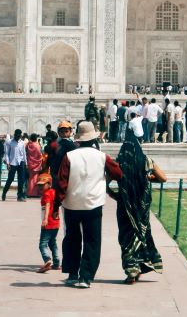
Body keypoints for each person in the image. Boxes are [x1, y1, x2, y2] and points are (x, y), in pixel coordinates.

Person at [54, 121, 123, 288]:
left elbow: (61, 182)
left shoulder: (69, 156)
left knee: (72, 239)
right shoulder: (102, 156)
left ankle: (72, 274)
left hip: (71, 204)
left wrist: (56, 205)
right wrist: (104, 179)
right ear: (94, 138)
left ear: (78, 138)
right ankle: (85, 277)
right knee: (92, 241)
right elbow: (118, 173)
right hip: (94, 204)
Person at [115, 127, 166, 284]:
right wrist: (147, 178)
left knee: (126, 237)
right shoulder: (146, 161)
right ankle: (138, 266)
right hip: (142, 206)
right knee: (141, 233)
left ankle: (132, 270)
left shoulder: (119, 163)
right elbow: (163, 178)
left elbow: (106, 181)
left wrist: (114, 194)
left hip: (125, 206)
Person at [36, 173, 61, 273]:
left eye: (43, 185)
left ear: (49, 183)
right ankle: (56, 263)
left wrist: (45, 219)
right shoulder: (54, 192)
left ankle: (47, 260)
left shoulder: (46, 194)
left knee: (42, 244)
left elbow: (47, 205)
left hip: (48, 223)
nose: (40, 187)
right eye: (39, 185)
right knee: (52, 243)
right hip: (56, 223)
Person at [2, 129, 27, 202]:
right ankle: (4, 193)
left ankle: (20, 196)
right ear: (14, 134)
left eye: (19, 136)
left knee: (21, 180)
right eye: (16, 135)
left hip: (21, 162)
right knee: (10, 179)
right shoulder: (9, 142)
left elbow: (24, 153)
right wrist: (8, 163)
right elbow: (7, 153)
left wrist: (26, 163)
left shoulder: (22, 143)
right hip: (12, 163)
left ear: (20, 135)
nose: (18, 137)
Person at [26, 133, 44, 198]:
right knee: (35, 179)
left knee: (31, 178)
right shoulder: (37, 146)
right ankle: (34, 193)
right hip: (36, 164)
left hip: (30, 163)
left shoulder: (28, 145)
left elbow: (27, 153)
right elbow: (40, 155)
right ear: (36, 139)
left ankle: (29, 192)